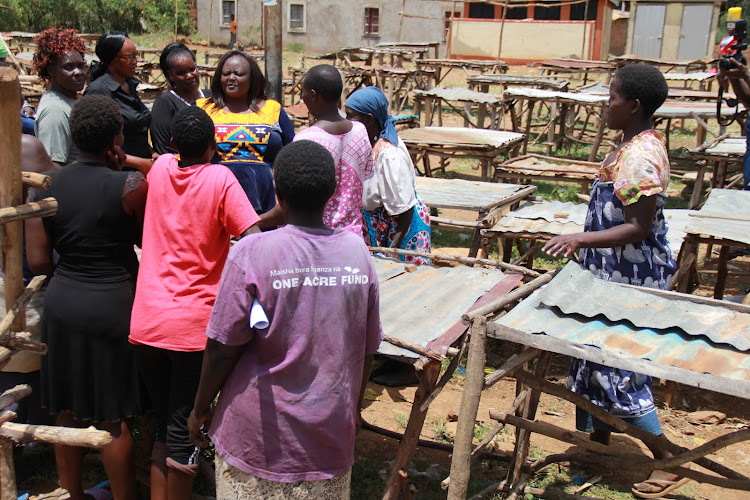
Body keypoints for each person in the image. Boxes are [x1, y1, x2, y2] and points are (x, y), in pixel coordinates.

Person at [187, 140, 383, 499]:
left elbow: (221, 347)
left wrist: (200, 408)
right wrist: (351, 410)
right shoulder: (358, 253)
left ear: (277, 192)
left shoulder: (252, 251)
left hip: (257, 441)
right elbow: (367, 349)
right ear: (332, 192)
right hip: (329, 437)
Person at [543, 64, 683, 499]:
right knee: (589, 360)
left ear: (635, 105)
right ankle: (596, 448)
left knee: (618, 368)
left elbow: (639, 227)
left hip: (630, 278)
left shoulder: (640, 155)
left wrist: (579, 237)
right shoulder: (631, 144)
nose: (607, 105)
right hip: (607, 274)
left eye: (613, 98)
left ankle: (667, 459)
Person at [129, 106, 261, 499]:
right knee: (185, 424)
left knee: (164, 421)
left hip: (146, 324)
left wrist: (123, 157)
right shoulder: (220, 178)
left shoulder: (162, 168)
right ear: (214, 145)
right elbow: (252, 235)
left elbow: (149, 161)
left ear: (172, 145)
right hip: (190, 329)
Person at [25, 95, 147, 500]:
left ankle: (72, 494)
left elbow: (39, 262)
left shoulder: (44, 187)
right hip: (114, 303)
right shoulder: (130, 185)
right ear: (116, 135)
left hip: (62, 304)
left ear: (74, 135)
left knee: (67, 407)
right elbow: (147, 243)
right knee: (112, 416)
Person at [198, 50, 294, 215]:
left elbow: (292, 152)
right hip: (215, 198)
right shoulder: (203, 108)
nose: (231, 78)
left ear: (252, 79)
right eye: (226, 73)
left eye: (238, 74)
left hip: (268, 202)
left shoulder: (273, 108)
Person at [345, 86, 431, 263]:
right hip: (382, 223)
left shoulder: (389, 154)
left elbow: (404, 208)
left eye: (350, 115)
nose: (347, 121)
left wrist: (393, 249)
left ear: (369, 120)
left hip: (402, 227)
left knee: (404, 280)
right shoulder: (371, 141)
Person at [293, 64, 374, 235]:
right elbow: (366, 175)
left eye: (304, 93)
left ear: (313, 95)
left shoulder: (306, 139)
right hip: (353, 236)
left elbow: (297, 196)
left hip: (318, 238)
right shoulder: (360, 131)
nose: (303, 98)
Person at [84, 31, 155, 174]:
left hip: (142, 168)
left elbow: (137, 131)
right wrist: (139, 163)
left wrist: (151, 153)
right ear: (111, 59)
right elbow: (96, 144)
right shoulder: (99, 91)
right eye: (129, 58)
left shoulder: (130, 85)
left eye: (136, 56)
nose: (135, 62)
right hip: (117, 173)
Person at [33, 28, 87, 165]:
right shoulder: (55, 111)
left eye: (81, 66)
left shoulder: (69, 102)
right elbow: (54, 168)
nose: (78, 72)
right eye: (69, 67)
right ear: (51, 70)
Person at [150, 42, 211, 155]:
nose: (189, 75)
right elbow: (163, 149)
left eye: (192, 69)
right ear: (171, 76)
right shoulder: (165, 103)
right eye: (181, 73)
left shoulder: (211, 97)